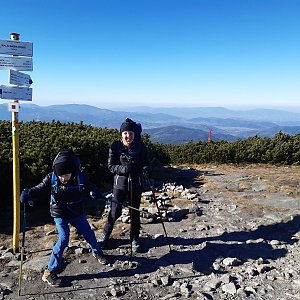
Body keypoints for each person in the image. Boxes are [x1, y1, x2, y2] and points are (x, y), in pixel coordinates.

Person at [20, 149, 107, 288]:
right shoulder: (52, 177)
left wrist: (94, 192)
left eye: (66, 175)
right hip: (59, 212)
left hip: (76, 211)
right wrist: (29, 193)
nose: (63, 178)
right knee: (64, 237)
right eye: (60, 175)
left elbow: (90, 186)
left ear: (73, 171)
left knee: (88, 232)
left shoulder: (80, 176)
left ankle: (97, 252)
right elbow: (40, 188)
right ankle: (49, 271)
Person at [99, 118, 150, 253]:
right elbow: (110, 166)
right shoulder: (115, 146)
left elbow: (145, 162)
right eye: (125, 133)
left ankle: (134, 239)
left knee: (135, 212)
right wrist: (124, 169)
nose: (128, 136)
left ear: (135, 134)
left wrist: (145, 169)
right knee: (115, 211)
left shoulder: (141, 146)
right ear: (121, 134)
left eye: (131, 133)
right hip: (120, 185)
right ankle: (105, 235)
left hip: (135, 185)